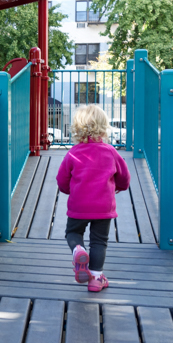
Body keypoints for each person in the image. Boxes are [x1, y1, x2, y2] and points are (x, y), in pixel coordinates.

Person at [56, 105, 130, 292]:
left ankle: (78, 250)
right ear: (104, 128)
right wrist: (119, 187)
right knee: (99, 241)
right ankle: (96, 279)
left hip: (79, 205)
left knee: (73, 233)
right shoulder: (111, 152)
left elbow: (62, 180)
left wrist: (67, 190)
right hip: (104, 207)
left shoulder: (73, 153)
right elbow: (124, 177)